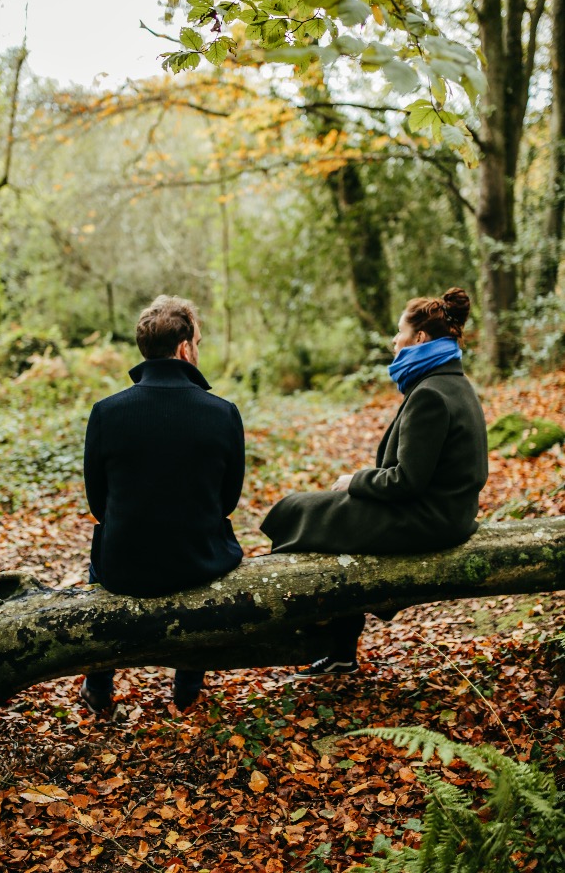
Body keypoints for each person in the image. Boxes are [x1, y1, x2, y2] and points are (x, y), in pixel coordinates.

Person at [261, 287, 488, 677]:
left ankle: (310, 630)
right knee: (315, 514)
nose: (394, 341)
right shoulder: (451, 381)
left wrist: (355, 481)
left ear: (419, 338)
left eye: (398, 332)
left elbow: (405, 482)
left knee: (302, 511)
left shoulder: (431, 394)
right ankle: (340, 650)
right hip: (445, 512)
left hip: (430, 518)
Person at [80, 295, 245, 712]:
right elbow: (228, 500)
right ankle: (187, 688)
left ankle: (99, 688)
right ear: (185, 348)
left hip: (123, 567)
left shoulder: (105, 412)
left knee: (98, 559)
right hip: (200, 560)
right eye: (199, 341)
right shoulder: (223, 413)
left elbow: (98, 503)